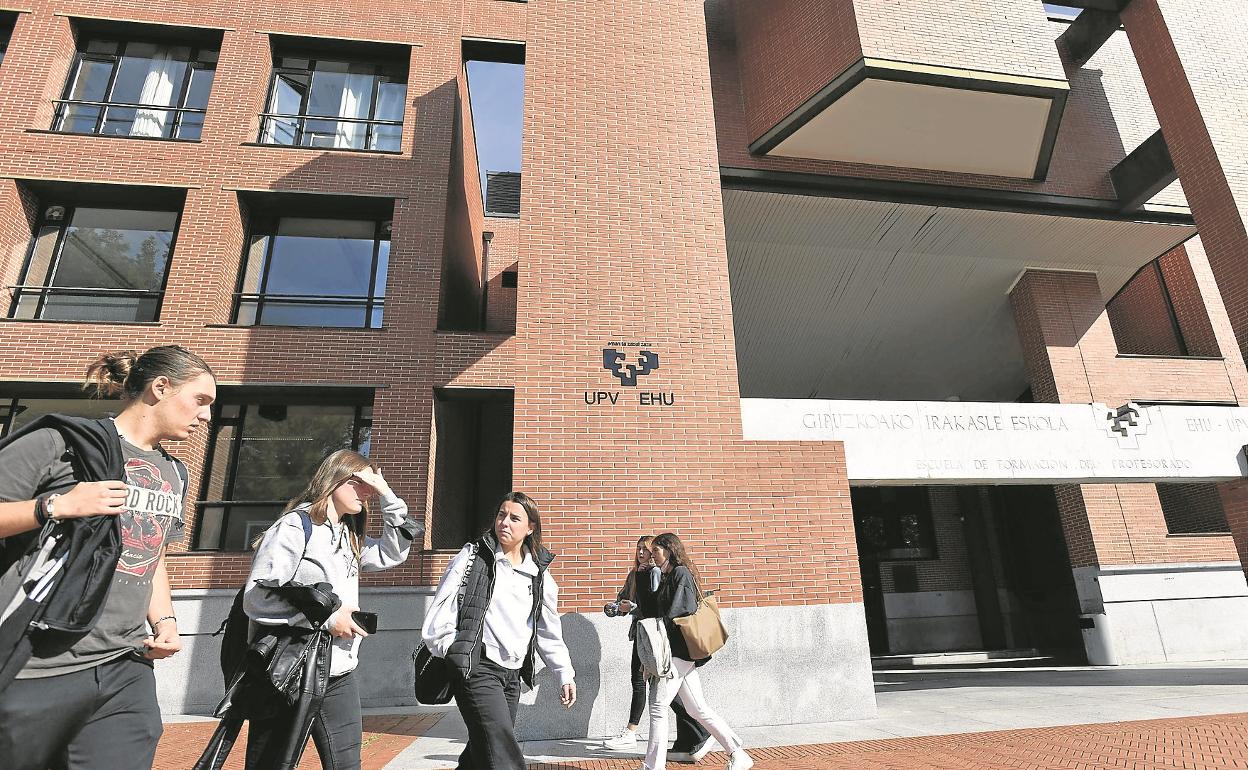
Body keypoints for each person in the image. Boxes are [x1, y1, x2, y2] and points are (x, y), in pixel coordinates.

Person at [0, 345, 216, 770]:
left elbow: (152, 556)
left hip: (125, 664)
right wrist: (53, 507)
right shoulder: (60, 442)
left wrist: (167, 622)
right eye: (201, 400)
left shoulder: (176, 473)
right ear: (160, 387)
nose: (206, 416)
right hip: (39, 661)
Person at [242, 449, 419, 770]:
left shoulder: (347, 535)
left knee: (347, 765)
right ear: (333, 479)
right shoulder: (295, 527)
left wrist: (387, 494)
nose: (366, 492)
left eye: (370, 487)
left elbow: (394, 553)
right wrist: (326, 619)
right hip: (290, 672)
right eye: (358, 483)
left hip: (338, 672)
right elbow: (257, 597)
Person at [422, 491, 576, 770]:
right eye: (501, 515)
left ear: (530, 528)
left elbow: (547, 630)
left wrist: (564, 673)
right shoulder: (473, 557)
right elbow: (440, 610)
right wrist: (453, 649)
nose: (504, 522)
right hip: (476, 668)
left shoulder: (539, 574)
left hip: (511, 677)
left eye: (514, 518)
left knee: (482, 751)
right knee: (502, 754)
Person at [638, 533, 752, 770]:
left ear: (669, 550)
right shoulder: (668, 575)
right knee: (697, 708)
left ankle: (653, 767)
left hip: (679, 652)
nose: (652, 555)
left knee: (658, 706)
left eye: (656, 551)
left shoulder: (680, 574)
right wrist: (642, 574)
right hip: (677, 652)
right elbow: (651, 611)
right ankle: (738, 754)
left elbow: (676, 614)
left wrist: (656, 656)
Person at [604, 536, 712, 763]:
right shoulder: (637, 574)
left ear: (666, 551)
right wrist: (617, 608)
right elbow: (628, 600)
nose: (644, 553)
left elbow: (655, 607)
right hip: (644, 634)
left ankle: (635, 736)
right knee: (684, 701)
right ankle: (708, 737)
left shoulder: (661, 573)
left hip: (658, 638)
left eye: (649, 550)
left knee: (657, 697)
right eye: (640, 549)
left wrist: (634, 607)